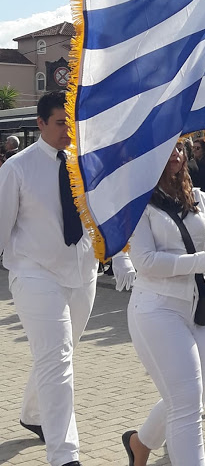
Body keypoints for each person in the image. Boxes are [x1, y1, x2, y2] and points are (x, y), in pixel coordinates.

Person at [0, 90, 135, 466]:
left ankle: (32, 414)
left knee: (58, 354)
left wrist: (120, 256)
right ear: (41, 123)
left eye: (71, 123)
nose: (67, 130)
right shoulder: (16, 169)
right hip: (33, 274)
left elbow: (106, 213)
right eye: (60, 123)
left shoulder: (87, 162)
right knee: (58, 358)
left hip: (82, 273)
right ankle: (65, 455)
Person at [122, 141, 205, 466]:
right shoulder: (137, 204)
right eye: (166, 148)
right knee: (185, 403)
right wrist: (202, 261)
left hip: (201, 307)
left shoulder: (193, 195)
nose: (175, 155)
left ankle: (141, 444)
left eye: (179, 148)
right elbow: (146, 261)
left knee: (188, 399)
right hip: (157, 309)